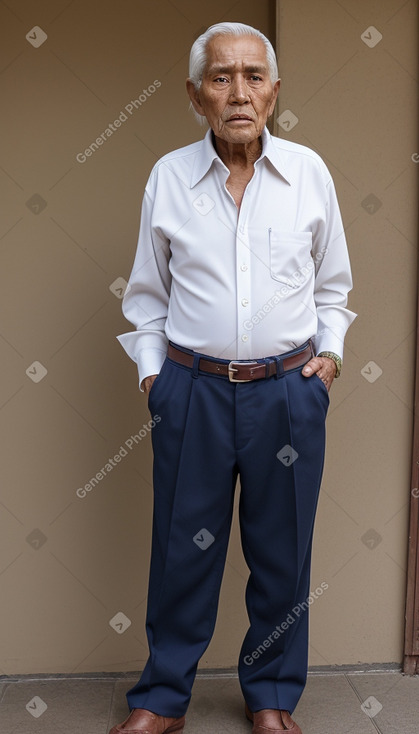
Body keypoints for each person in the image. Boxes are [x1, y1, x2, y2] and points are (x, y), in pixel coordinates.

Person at [111, 21, 356, 734]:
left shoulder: (309, 173)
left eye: (253, 76)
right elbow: (146, 297)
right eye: (221, 78)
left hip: (287, 393)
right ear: (195, 96)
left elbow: (332, 288)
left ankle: (271, 695)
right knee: (180, 550)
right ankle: (161, 698)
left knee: (281, 552)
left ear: (273, 91)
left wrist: (329, 359)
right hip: (193, 394)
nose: (239, 92)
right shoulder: (168, 177)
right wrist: (157, 378)